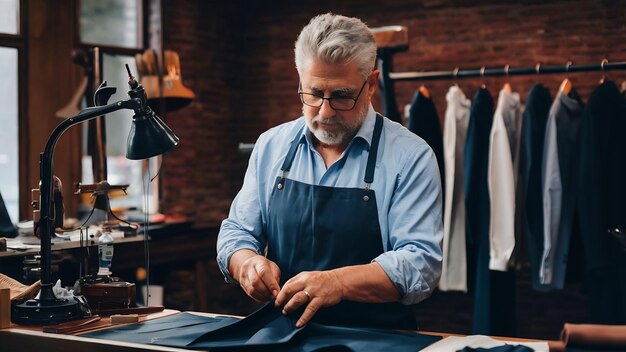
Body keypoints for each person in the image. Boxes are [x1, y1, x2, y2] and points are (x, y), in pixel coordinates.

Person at [217, 13, 442, 330]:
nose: (324, 111)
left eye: (340, 96)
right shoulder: (271, 146)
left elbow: (421, 264)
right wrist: (246, 263)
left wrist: (338, 282)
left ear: (371, 85)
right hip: (283, 334)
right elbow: (237, 231)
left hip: (375, 339)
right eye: (313, 93)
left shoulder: (411, 157)